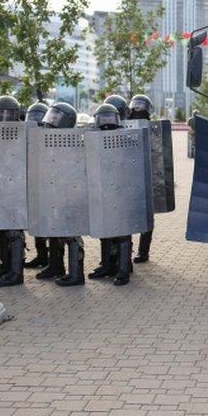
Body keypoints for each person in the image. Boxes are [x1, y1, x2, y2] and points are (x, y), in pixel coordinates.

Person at [86, 103, 133, 286]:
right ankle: (107, 265)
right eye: (102, 118)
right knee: (105, 228)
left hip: (121, 189)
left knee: (122, 231)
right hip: (102, 188)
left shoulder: (127, 137)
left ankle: (123, 269)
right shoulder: (93, 137)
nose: (106, 122)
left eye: (109, 118)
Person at [0, 95, 28, 287]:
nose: (3, 116)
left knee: (14, 232)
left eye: (7, 113)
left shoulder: (23, 132)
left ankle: (16, 273)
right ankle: (6, 266)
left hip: (17, 185)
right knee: (2, 230)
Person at [34, 102, 78, 284]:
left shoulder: (73, 141)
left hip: (67, 194)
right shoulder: (47, 139)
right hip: (51, 190)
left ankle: (76, 273)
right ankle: (55, 265)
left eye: (56, 117)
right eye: (51, 116)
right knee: (53, 229)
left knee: (71, 234)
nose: (51, 120)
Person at [128, 94, 156, 263]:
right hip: (129, 176)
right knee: (128, 214)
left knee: (146, 215)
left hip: (147, 176)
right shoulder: (126, 126)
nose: (138, 110)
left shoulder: (153, 128)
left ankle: (143, 251)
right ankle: (127, 251)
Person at [23, 101, 51, 269]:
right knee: (36, 222)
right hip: (32, 184)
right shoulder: (26, 136)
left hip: (47, 185)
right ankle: (41, 256)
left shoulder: (50, 135)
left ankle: (49, 258)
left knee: (48, 225)